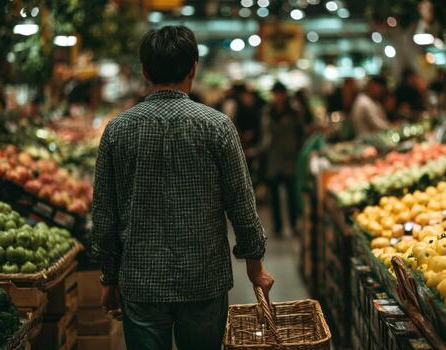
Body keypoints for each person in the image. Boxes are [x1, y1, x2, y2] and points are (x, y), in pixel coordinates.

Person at [91, 26, 274, 350]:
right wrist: (255, 266)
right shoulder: (217, 126)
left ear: (146, 71)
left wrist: (109, 277)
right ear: (193, 68)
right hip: (204, 278)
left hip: (140, 279)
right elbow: (242, 204)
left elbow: (104, 214)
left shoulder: (117, 130)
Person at [263, 82, 303, 237]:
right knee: (274, 196)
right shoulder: (268, 111)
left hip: (290, 158)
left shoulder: (294, 111)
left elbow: (301, 131)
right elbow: (265, 133)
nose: (278, 97)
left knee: (291, 194)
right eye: (275, 94)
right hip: (274, 157)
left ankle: (293, 225)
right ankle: (278, 226)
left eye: (280, 93)